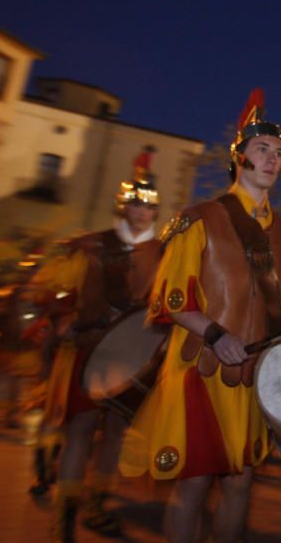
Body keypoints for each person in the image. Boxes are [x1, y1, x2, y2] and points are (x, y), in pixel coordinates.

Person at [119, 88, 281, 543]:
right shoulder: (201, 219)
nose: (271, 159)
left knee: (240, 483)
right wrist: (215, 334)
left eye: (279, 153)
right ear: (240, 158)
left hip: (254, 379)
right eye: (262, 149)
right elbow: (170, 299)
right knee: (193, 485)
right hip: (200, 371)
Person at [37, 177, 163, 542]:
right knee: (79, 430)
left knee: (114, 434)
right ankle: (64, 515)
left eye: (148, 206)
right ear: (123, 207)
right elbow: (56, 286)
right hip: (87, 346)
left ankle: (95, 503)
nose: (141, 212)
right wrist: (63, 316)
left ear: (154, 210)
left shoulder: (161, 252)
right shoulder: (91, 244)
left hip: (130, 354)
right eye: (135, 205)